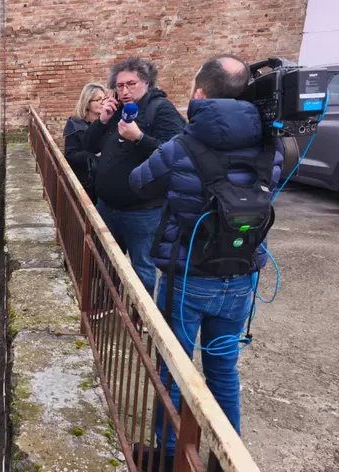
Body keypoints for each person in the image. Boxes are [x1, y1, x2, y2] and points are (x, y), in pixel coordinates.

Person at [128, 55, 282, 471]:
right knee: (223, 370)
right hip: (240, 276)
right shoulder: (271, 146)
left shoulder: (183, 145)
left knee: (174, 370)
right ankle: (224, 457)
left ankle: (170, 454)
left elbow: (139, 181)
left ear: (200, 93)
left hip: (188, 278)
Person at [82, 57, 185, 295]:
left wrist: (139, 138)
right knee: (104, 262)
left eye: (131, 84)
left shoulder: (161, 109)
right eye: (120, 86)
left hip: (142, 211)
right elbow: (88, 146)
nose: (125, 91)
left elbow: (178, 156)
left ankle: (138, 314)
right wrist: (102, 121)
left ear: (146, 83)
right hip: (107, 206)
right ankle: (108, 304)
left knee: (142, 268)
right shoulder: (117, 111)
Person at [63, 83, 106, 203]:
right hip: (85, 183)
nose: (103, 102)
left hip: (104, 181)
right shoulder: (74, 124)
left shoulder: (107, 123)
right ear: (87, 102)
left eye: (104, 99)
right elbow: (70, 155)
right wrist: (93, 156)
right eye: (98, 99)